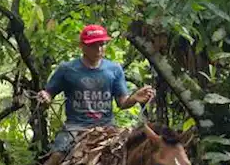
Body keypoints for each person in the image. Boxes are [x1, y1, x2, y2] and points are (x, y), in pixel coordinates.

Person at [36, 24, 155, 154]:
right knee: (56, 156)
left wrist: (135, 98)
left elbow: (122, 103)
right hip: (75, 127)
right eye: (93, 45)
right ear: (82, 46)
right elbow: (49, 93)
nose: (99, 49)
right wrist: (45, 97)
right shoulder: (67, 69)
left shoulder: (114, 69)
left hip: (107, 128)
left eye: (102, 44)